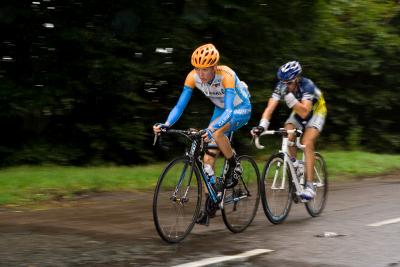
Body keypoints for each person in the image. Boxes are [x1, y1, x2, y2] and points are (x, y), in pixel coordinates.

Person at [153, 43, 252, 224]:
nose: (201, 74)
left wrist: (212, 129)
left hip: (239, 109)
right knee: (207, 160)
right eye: (198, 69)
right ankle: (211, 203)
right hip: (220, 110)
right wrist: (166, 124)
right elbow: (179, 106)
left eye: (205, 70)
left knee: (217, 131)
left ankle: (234, 164)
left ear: (214, 67)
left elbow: (229, 111)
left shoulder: (226, 76)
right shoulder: (192, 77)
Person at [251, 61, 327, 200]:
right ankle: (295, 163)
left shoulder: (307, 85)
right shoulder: (282, 86)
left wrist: (290, 99)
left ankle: (309, 186)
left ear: (297, 78)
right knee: (287, 133)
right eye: (283, 82)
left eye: (289, 82)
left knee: (307, 142)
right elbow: (270, 108)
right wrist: (262, 125)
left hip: (316, 112)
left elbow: (305, 112)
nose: (286, 85)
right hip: (299, 111)